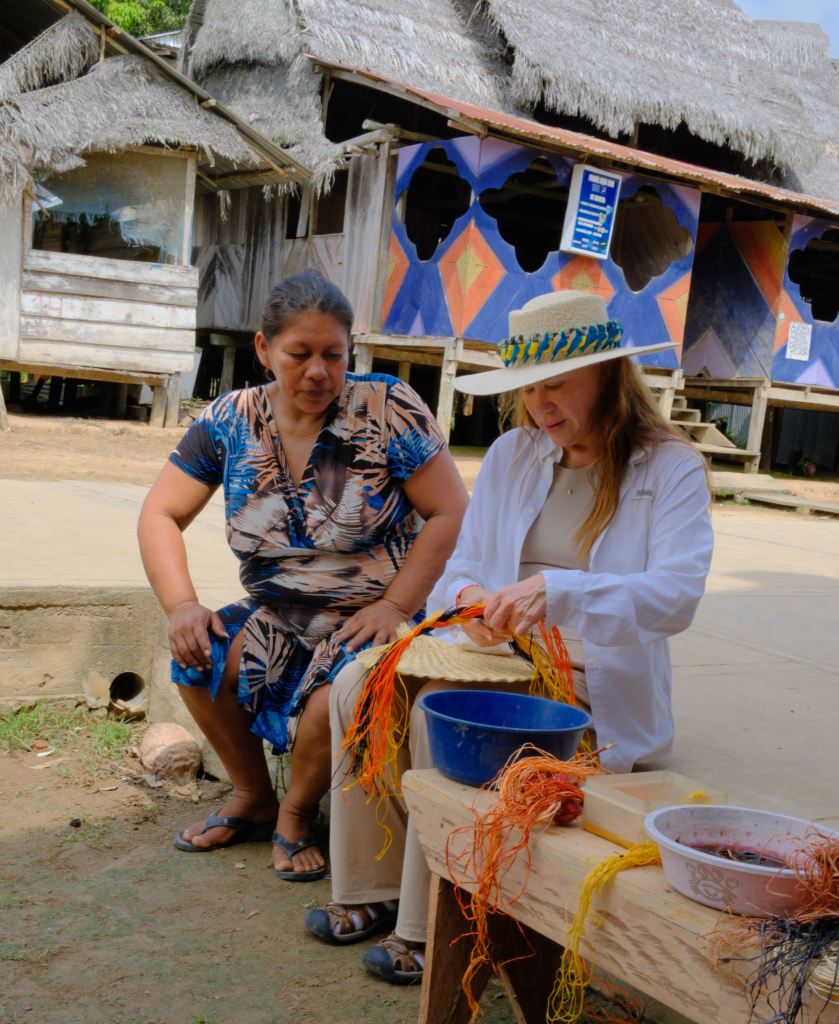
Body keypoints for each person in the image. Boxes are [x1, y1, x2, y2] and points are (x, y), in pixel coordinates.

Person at [305, 289, 714, 981]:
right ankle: (370, 886)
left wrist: (559, 592)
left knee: (439, 713)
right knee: (357, 683)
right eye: (528, 389)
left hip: (586, 683)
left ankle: (429, 925)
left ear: (607, 375)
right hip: (493, 653)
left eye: (556, 384)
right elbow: (462, 566)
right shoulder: (512, 453)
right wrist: (468, 599)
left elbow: (675, 597)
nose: (539, 405)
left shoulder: (668, 467)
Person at [137, 272, 468, 880]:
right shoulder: (230, 419)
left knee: (329, 702)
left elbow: (449, 510)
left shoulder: (387, 408)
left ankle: (294, 813)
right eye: (300, 354)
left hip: (371, 616)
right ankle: (253, 796)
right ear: (264, 349)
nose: (318, 371)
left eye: (333, 355)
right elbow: (160, 513)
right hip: (277, 612)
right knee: (197, 654)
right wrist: (182, 604)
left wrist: (397, 606)